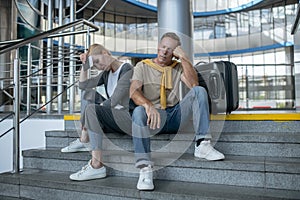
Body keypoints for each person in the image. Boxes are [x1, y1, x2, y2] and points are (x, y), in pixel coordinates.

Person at [130, 32, 225, 191]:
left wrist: (184, 58)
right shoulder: (143, 66)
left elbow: (194, 85)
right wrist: (148, 105)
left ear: (174, 53)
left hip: (174, 115)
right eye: (163, 47)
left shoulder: (178, 66)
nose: (164, 52)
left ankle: (202, 145)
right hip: (152, 118)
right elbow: (133, 91)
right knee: (139, 111)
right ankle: (145, 169)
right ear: (158, 46)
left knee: (199, 91)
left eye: (170, 49)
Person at [64, 43, 133, 181]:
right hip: (112, 117)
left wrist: (93, 112)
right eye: (94, 65)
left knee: (92, 109)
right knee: (87, 95)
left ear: (106, 53)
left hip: (127, 119)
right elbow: (83, 86)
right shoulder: (106, 74)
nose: (98, 66)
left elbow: (114, 101)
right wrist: (85, 65)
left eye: (97, 61)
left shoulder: (127, 69)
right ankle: (84, 138)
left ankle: (96, 165)